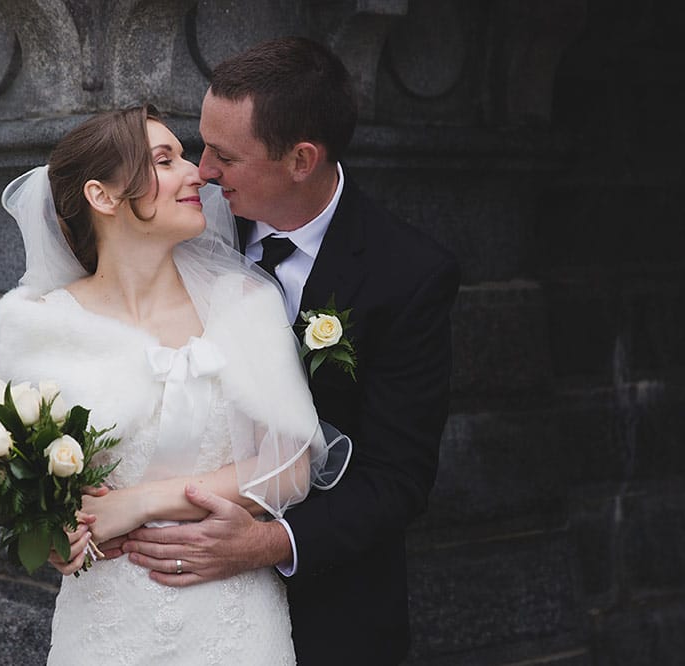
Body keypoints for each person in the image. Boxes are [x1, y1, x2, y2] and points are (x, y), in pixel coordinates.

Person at [120, 37, 462, 664]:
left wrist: (265, 543)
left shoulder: (407, 275)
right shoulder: (189, 230)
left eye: (225, 155)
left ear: (301, 160)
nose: (204, 172)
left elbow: (399, 478)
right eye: (200, 147)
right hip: (166, 604)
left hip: (329, 613)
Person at [0, 105, 343, 664]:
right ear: (103, 196)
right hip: (104, 621)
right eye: (165, 160)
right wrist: (56, 535)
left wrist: (138, 504)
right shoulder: (36, 325)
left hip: (232, 617)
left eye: (185, 157)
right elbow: (22, 486)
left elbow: (292, 467)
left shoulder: (244, 304)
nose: (197, 173)